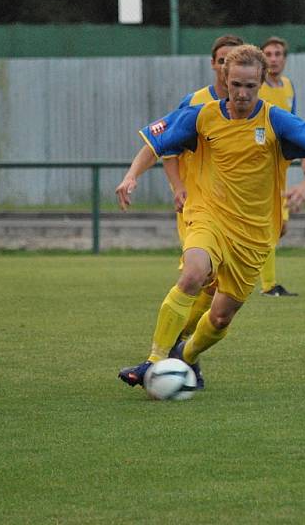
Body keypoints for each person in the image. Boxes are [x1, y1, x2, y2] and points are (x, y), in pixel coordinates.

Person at [117, 44, 305, 388]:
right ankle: (154, 360)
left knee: (220, 318)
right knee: (193, 273)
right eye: (236, 84)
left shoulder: (275, 120)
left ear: (262, 81)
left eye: (250, 86)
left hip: (252, 234)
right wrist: (132, 175)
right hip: (208, 216)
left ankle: (185, 358)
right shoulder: (201, 115)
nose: (242, 93)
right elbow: (155, 145)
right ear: (225, 77)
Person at [115, 34, 244, 389]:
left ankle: (183, 352)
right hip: (199, 209)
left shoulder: (257, 108)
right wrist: (176, 186)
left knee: (215, 293)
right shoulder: (197, 104)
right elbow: (166, 146)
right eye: (220, 59)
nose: (224, 65)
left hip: (242, 219)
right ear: (215, 63)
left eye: (231, 59)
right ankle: (161, 357)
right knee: (197, 275)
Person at [256, 36, 304, 297]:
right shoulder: (255, 87)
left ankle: (259, 276)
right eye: (269, 54)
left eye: (278, 54)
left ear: (284, 58)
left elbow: (295, 125)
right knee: (270, 225)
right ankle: (268, 285)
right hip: (260, 167)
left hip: (281, 167)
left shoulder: (288, 86)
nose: (273, 59)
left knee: (280, 227)